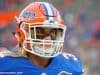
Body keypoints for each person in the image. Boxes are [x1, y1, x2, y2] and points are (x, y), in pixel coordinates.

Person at [0, 2, 84, 75]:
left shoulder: (72, 65)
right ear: (24, 32)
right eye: (40, 31)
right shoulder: (4, 65)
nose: (48, 39)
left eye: (53, 32)